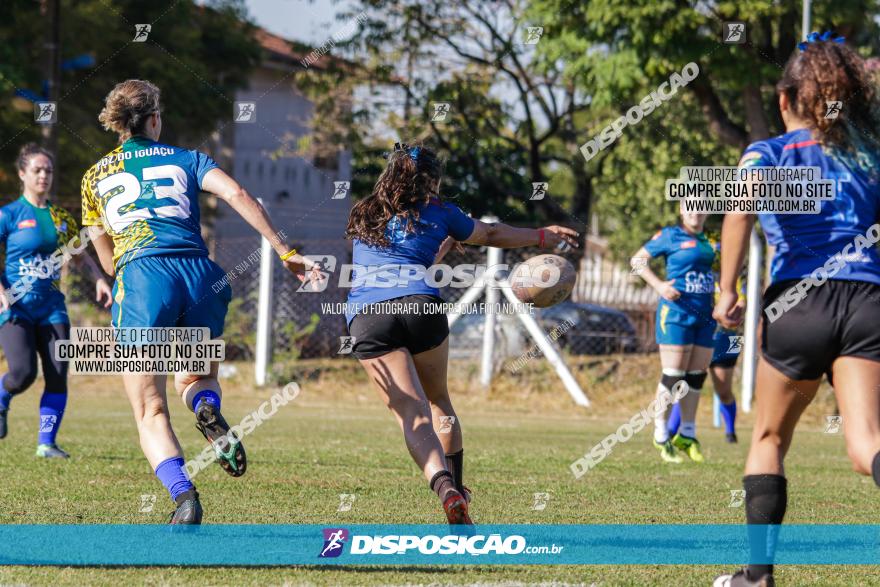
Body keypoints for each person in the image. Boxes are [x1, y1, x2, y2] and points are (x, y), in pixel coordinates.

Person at [81, 79, 310, 524]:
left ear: (119, 124)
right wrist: (286, 252)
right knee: (196, 379)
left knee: (150, 408)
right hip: (199, 275)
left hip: (144, 279)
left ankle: (184, 498)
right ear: (153, 119)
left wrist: (129, 273)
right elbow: (238, 195)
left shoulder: (94, 177)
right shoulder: (187, 159)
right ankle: (207, 408)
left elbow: (106, 258)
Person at [713, 33, 880, 586]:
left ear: (784, 101)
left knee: (768, 438)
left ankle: (756, 577)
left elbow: (738, 213)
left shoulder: (770, 152)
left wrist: (727, 291)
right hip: (867, 301)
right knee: (867, 447)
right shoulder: (866, 156)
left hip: (799, 301)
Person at [344, 142, 578, 524]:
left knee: (411, 413)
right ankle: (459, 491)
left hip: (370, 314)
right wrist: (541, 236)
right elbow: (491, 234)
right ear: (432, 180)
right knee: (438, 402)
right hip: (422, 306)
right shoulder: (441, 212)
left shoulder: (364, 211)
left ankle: (444, 488)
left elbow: (394, 257)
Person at [0, 143, 112, 458]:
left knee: (57, 372)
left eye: (48, 170)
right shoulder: (9, 215)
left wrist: (100, 279)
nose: (43, 176)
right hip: (16, 307)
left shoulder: (60, 216)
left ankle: (46, 444)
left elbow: (78, 255)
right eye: (37, 170)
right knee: (22, 374)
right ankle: (2, 398)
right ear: (22, 174)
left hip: (52, 308)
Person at [632, 209, 715, 464]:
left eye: (702, 206)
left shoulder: (711, 240)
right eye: (691, 205)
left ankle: (687, 434)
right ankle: (660, 434)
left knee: (696, 376)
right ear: (682, 208)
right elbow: (637, 260)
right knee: (673, 375)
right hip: (676, 313)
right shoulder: (671, 235)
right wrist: (659, 286)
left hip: (704, 314)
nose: (696, 211)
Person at [667, 237, 744, 443]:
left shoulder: (732, 281)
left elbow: (740, 306)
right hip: (698, 334)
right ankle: (671, 432)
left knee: (723, 389)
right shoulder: (693, 277)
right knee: (683, 383)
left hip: (726, 339)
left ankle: (730, 431)